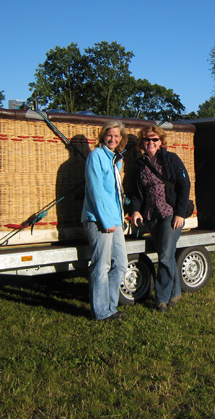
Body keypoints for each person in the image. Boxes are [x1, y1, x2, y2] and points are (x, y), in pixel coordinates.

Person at [129, 125, 191, 312]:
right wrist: (135, 210)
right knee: (167, 254)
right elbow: (136, 191)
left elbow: (184, 184)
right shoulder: (140, 164)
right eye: (147, 139)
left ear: (161, 141)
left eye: (154, 139)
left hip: (170, 215)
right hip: (151, 215)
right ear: (143, 142)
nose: (151, 142)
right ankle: (175, 292)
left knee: (164, 256)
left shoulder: (171, 159)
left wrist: (179, 213)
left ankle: (161, 298)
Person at [81, 120, 129, 321]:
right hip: (99, 220)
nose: (113, 139)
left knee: (121, 264)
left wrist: (120, 216)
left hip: (115, 220)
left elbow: (115, 193)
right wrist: (105, 220)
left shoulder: (115, 159)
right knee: (101, 266)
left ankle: (110, 307)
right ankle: (100, 312)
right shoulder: (96, 157)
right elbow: (96, 191)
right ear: (103, 136)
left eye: (117, 136)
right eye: (110, 135)